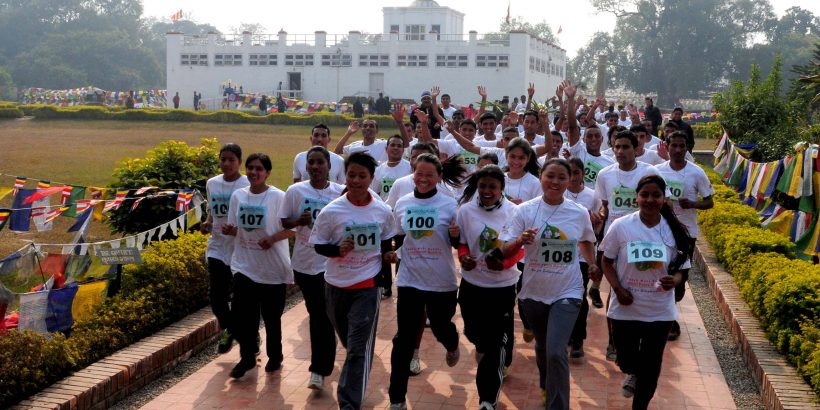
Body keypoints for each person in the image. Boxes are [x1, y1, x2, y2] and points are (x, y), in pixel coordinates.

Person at [499, 158, 599, 408]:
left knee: (556, 351)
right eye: (550, 176)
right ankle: (546, 382)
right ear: (541, 177)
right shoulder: (524, 211)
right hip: (534, 290)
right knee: (544, 347)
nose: (555, 182)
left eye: (561, 177)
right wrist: (520, 240)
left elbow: (586, 240)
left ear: (570, 180)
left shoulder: (578, 212)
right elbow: (505, 247)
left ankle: (558, 405)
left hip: (568, 289)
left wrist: (593, 263)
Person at [309, 152, 398, 409]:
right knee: (350, 343)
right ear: (344, 175)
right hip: (335, 286)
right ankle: (355, 374)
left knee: (358, 348)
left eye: (362, 176)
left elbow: (385, 243)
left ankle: (348, 402)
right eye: (351, 175)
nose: (356, 180)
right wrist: (338, 250)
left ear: (371, 178)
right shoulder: (331, 211)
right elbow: (318, 245)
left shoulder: (381, 211)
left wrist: (388, 257)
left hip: (367, 287)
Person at [599, 174, 692, 409]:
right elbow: (606, 261)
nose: (650, 200)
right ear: (636, 198)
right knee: (626, 361)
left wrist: (675, 280)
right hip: (626, 307)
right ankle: (634, 372)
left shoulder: (675, 230)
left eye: (656, 195)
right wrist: (618, 290)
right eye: (645, 195)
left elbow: (682, 268)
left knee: (651, 366)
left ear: (663, 198)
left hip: (659, 310)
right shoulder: (621, 227)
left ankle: (640, 405)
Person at [385, 153, 466, 410]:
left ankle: (452, 344)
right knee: (403, 340)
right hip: (409, 277)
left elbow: (457, 244)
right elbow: (398, 236)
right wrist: (390, 252)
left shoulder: (449, 204)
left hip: (441, 280)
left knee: (442, 327)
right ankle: (396, 399)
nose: (423, 179)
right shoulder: (403, 202)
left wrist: (455, 236)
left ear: (439, 177)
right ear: (413, 173)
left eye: (429, 175)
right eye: (419, 174)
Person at [456, 165, 523, 410]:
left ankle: (487, 400)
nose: (486, 191)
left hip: (502, 286)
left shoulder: (515, 212)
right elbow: (462, 243)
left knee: (494, 344)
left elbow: (520, 249)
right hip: (472, 284)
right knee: (474, 335)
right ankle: (486, 346)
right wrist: (464, 257)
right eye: (482, 186)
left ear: (501, 189)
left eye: (492, 187)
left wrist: (504, 263)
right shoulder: (465, 211)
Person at [279, 146, 345, 390]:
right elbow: (284, 221)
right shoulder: (296, 191)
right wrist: (299, 222)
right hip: (306, 264)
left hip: (332, 264)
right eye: (311, 163)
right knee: (319, 314)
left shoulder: (340, 193)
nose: (315, 167)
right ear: (306, 166)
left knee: (330, 315)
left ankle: (329, 360)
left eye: (320, 162)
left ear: (329, 166)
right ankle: (319, 369)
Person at [224, 153, 294, 379]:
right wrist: (230, 231)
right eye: (250, 168)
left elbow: (293, 229)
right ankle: (246, 358)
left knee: (272, 319)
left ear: (267, 173)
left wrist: (272, 239)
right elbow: (239, 228)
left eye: (259, 169)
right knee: (245, 317)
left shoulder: (279, 197)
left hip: (272, 269)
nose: (254, 173)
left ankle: (275, 355)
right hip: (244, 266)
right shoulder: (238, 196)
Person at [593, 129, 662, 357]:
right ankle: (613, 341)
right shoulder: (604, 174)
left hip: (644, 239)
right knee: (616, 289)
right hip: (616, 239)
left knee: (644, 287)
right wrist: (601, 218)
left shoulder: (648, 171)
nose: (620, 151)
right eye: (617, 147)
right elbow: (605, 205)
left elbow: (662, 202)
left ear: (636, 149)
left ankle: (643, 336)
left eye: (625, 147)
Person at [655, 131, 714, 340]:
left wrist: (693, 204)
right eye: (674, 146)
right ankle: (666, 318)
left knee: (680, 278)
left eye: (682, 146)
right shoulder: (657, 172)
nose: (678, 150)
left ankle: (671, 310)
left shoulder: (696, 173)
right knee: (660, 272)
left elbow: (709, 201)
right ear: (667, 147)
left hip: (686, 233)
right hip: (661, 231)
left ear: (687, 147)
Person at [201, 144, 250, 354]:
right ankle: (232, 330)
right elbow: (212, 211)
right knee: (216, 297)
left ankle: (246, 334)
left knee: (240, 298)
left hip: (240, 247)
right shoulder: (212, 183)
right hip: (217, 246)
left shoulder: (247, 183)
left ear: (240, 161)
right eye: (223, 159)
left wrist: (238, 230)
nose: (227, 164)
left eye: (231, 160)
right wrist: (207, 221)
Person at [565, 157, 603, 360]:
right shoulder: (558, 194)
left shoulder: (592, 196)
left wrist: (597, 222)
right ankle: (567, 334)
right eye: (568, 173)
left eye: (576, 172)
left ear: (582, 174)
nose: (572, 177)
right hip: (561, 254)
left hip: (583, 254)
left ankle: (578, 338)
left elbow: (597, 226)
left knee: (578, 295)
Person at [370, 135, 412, 201]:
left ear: (403, 150)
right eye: (392, 145)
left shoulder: (410, 168)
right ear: (386, 149)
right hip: (385, 209)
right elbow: (374, 194)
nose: (396, 148)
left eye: (399, 146)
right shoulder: (378, 170)